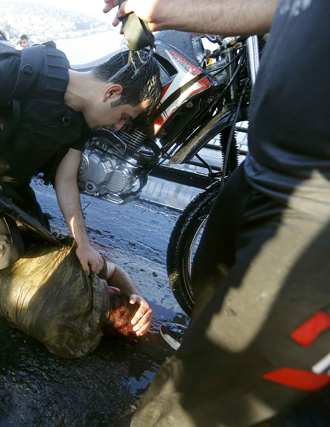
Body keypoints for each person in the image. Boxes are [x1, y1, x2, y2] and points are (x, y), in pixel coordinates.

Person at [103, 0, 330, 425]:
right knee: (209, 310)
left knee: (204, 405)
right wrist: (165, 9)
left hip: (318, 208)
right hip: (263, 171)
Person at [0, 44, 162, 310]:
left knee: (45, 243)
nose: (118, 126)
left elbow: (66, 180)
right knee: (3, 251)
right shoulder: (27, 73)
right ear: (111, 92)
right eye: (123, 117)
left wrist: (83, 244)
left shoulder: (82, 122)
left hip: (10, 186)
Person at [0, 174, 153, 358]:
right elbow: (91, 336)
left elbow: (116, 271)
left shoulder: (82, 267)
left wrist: (138, 298)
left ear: (113, 291)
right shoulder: (71, 346)